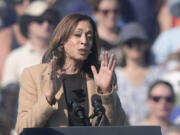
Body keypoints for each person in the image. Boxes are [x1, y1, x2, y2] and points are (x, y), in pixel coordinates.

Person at [15, 13, 127, 134]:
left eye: (89, 37)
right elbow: (23, 129)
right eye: (77, 35)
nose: (84, 41)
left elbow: (119, 127)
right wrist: (48, 97)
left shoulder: (100, 76)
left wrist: (106, 92)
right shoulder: (33, 75)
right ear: (62, 39)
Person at [115, 22, 165, 125]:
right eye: (130, 43)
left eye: (139, 42)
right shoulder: (115, 75)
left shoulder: (159, 74)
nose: (135, 46)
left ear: (146, 44)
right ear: (123, 47)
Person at [1, 0, 60, 87]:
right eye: (40, 20)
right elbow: (9, 93)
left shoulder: (63, 55)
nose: (46, 24)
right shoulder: (15, 58)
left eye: (50, 21)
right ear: (28, 24)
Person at [88, 0, 123, 65]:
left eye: (115, 11)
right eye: (105, 12)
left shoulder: (128, 36)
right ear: (95, 13)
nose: (111, 15)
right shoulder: (89, 39)